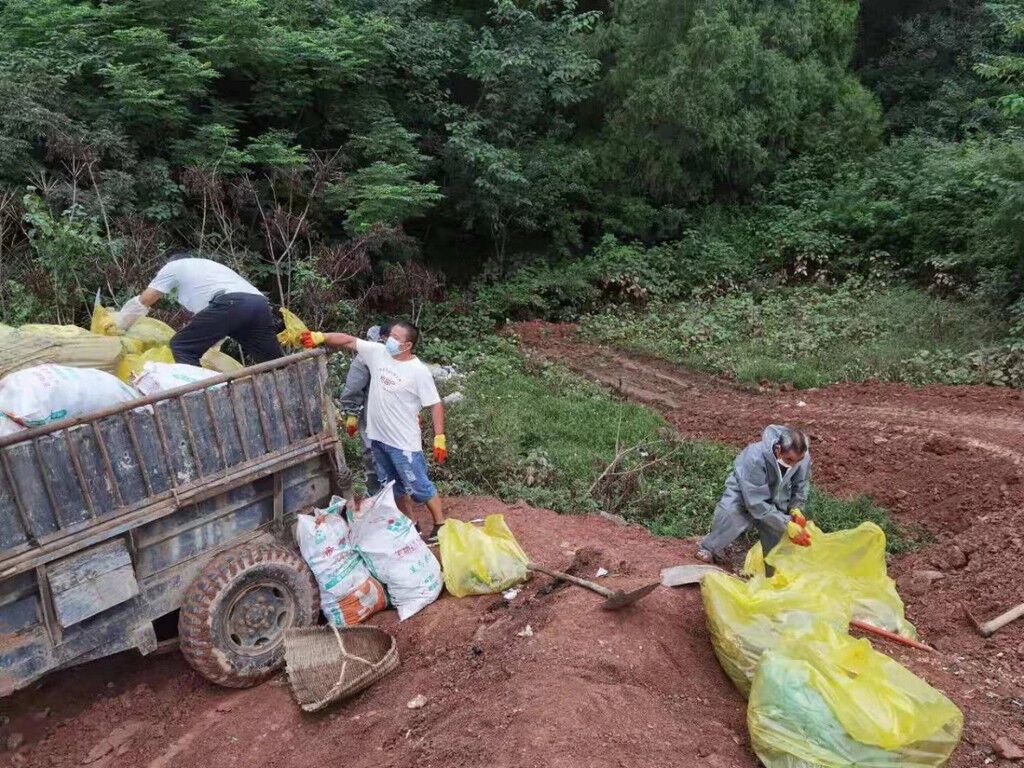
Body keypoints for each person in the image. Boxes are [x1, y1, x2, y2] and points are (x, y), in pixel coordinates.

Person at [301, 320, 448, 542]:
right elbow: (348, 340)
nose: (390, 340)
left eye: (396, 338)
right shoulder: (378, 353)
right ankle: (410, 526)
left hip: (404, 444)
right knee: (394, 488)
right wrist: (320, 336)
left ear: (407, 345)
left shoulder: (418, 372)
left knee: (419, 485)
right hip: (378, 440)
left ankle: (440, 525)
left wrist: (439, 437)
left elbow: (435, 404)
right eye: (390, 335)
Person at [107, 254, 283, 367]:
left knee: (181, 346)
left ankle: (198, 396)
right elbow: (214, 326)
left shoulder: (174, 267)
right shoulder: (208, 269)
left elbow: (146, 299)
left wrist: (121, 324)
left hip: (231, 302)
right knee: (272, 363)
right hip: (259, 304)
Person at [696, 425, 812, 569]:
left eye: (798, 460)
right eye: (789, 460)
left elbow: (800, 485)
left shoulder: (802, 458)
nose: (794, 464)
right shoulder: (755, 457)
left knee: (778, 537)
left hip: (777, 500)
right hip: (745, 496)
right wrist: (786, 523)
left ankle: (774, 572)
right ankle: (708, 547)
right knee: (732, 515)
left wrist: (796, 508)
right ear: (778, 449)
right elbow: (755, 503)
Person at [339, 324, 390, 496]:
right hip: (373, 416)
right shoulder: (365, 358)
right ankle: (378, 493)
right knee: (374, 452)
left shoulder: (398, 357)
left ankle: (394, 494)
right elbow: (354, 387)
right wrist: (351, 413)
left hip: (394, 414)